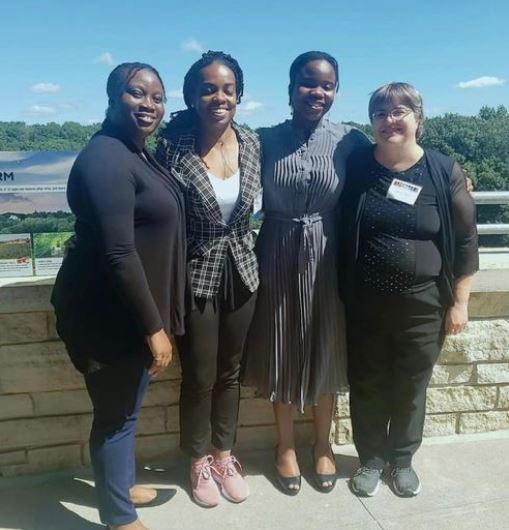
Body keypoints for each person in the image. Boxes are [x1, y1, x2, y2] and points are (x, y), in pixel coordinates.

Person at [51, 63, 186, 530]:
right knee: (115, 416)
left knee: (125, 409)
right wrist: (155, 327)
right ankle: (119, 519)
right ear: (112, 98)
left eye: (157, 97)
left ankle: (119, 486)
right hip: (107, 315)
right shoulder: (106, 158)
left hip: (127, 311)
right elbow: (118, 251)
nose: (149, 104)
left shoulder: (135, 151)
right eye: (136, 94)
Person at [341, 82, 479, 498]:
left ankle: (401, 460)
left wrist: (460, 303)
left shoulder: (442, 170)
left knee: (410, 384)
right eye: (380, 113)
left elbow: (467, 239)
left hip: (423, 304)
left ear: (419, 118)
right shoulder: (358, 165)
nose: (389, 120)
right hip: (365, 302)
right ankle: (371, 459)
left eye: (400, 111)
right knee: (366, 382)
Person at [243, 51, 370, 494]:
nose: (318, 92)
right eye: (308, 83)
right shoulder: (262, 139)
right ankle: (285, 447)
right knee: (281, 344)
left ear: (336, 91)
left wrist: (453, 180)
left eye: (328, 85)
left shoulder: (349, 141)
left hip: (328, 253)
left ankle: (321, 444)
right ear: (291, 87)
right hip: (276, 249)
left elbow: (391, 169)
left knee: (326, 345)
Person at [156, 51, 260, 508]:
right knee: (198, 375)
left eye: (228, 89)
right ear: (192, 95)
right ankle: (196, 460)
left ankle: (224, 455)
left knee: (231, 372)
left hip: (242, 269)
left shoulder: (253, 142)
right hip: (194, 272)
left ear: (239, 95)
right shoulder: (171, 144)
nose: (219, 97)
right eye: (208, 88)